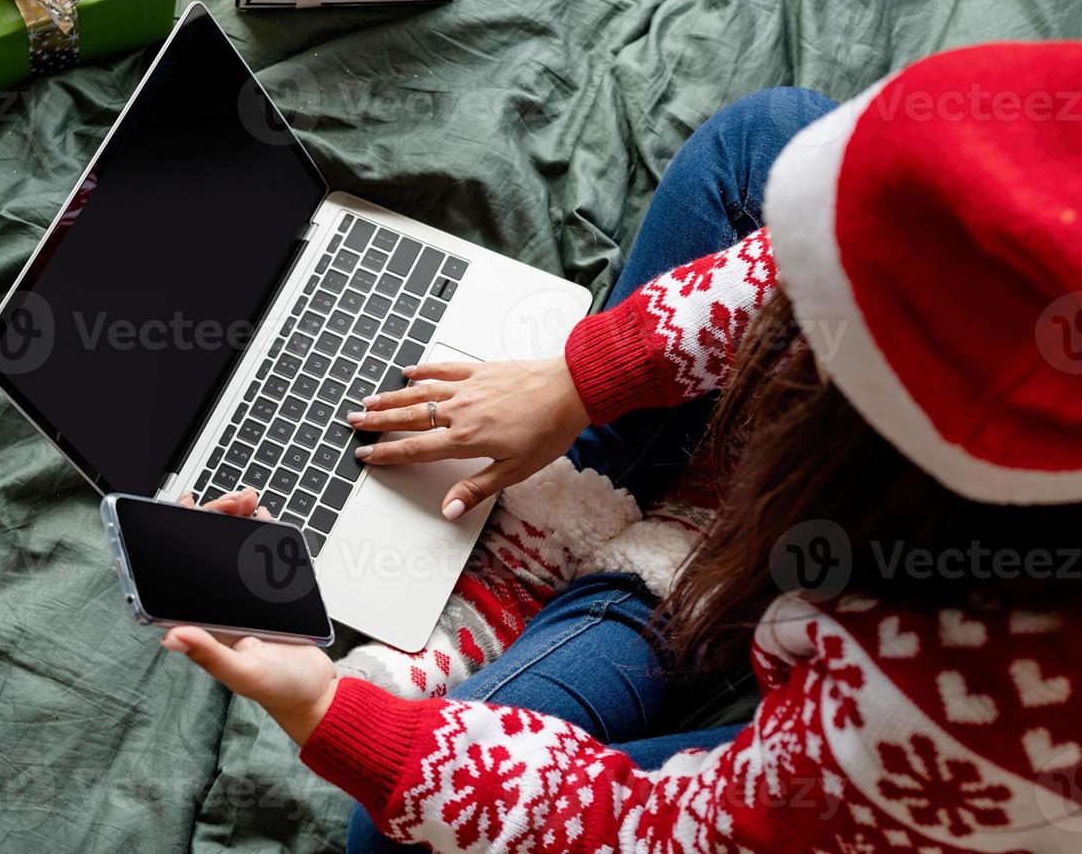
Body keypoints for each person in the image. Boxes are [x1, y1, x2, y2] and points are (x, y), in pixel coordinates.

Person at [168, 42, 1082, 852]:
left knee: (391, 834)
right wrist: (579, 380)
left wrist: (326, 709)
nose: (782, 335)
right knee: (769, 134)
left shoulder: (955, 718)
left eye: (805, 368)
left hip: (852, 709)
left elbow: (653, 827)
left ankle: (642, 574)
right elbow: (835, 255)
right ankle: (584, 502)